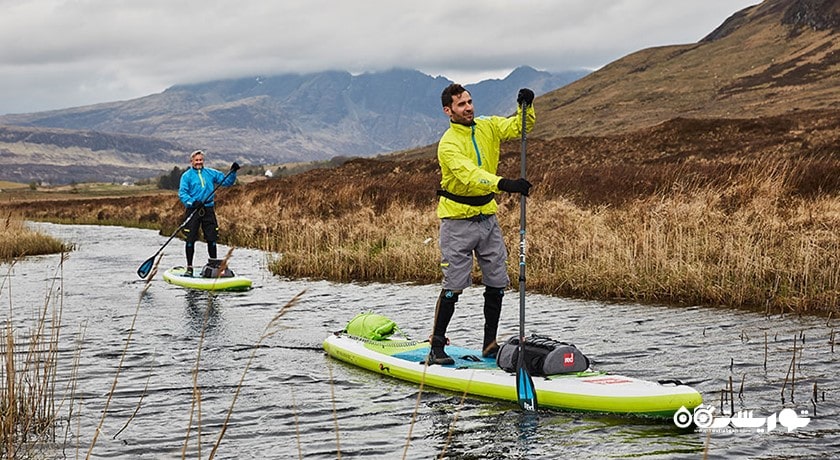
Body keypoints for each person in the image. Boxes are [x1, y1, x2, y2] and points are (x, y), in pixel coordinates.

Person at [427, 84, 535, 365]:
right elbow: (470, 175)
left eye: (470, 101)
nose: (469, 107)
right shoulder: (448, 144)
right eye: (461, 104)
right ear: (448, 111)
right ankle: (436, 347)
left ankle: (489, 344)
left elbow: (519, 129)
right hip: (457, 221)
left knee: (498, 282)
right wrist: (504, 184)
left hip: (487, 218)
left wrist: (527, 106)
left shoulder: (487, 125)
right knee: (454, 285)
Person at [178, 150, 240, 276]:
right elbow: (182, 193)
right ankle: (189, 268)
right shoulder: (186, 176)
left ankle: (213, 266)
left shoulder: (211, 173)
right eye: (196, 160)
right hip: (193, 210)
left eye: (201, 160)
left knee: (212, 239)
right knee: (190, 239)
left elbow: (227, 182)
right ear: (192, 161)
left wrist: (233, 172)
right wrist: (192, 202)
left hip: (208, 210)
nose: (199, 162)